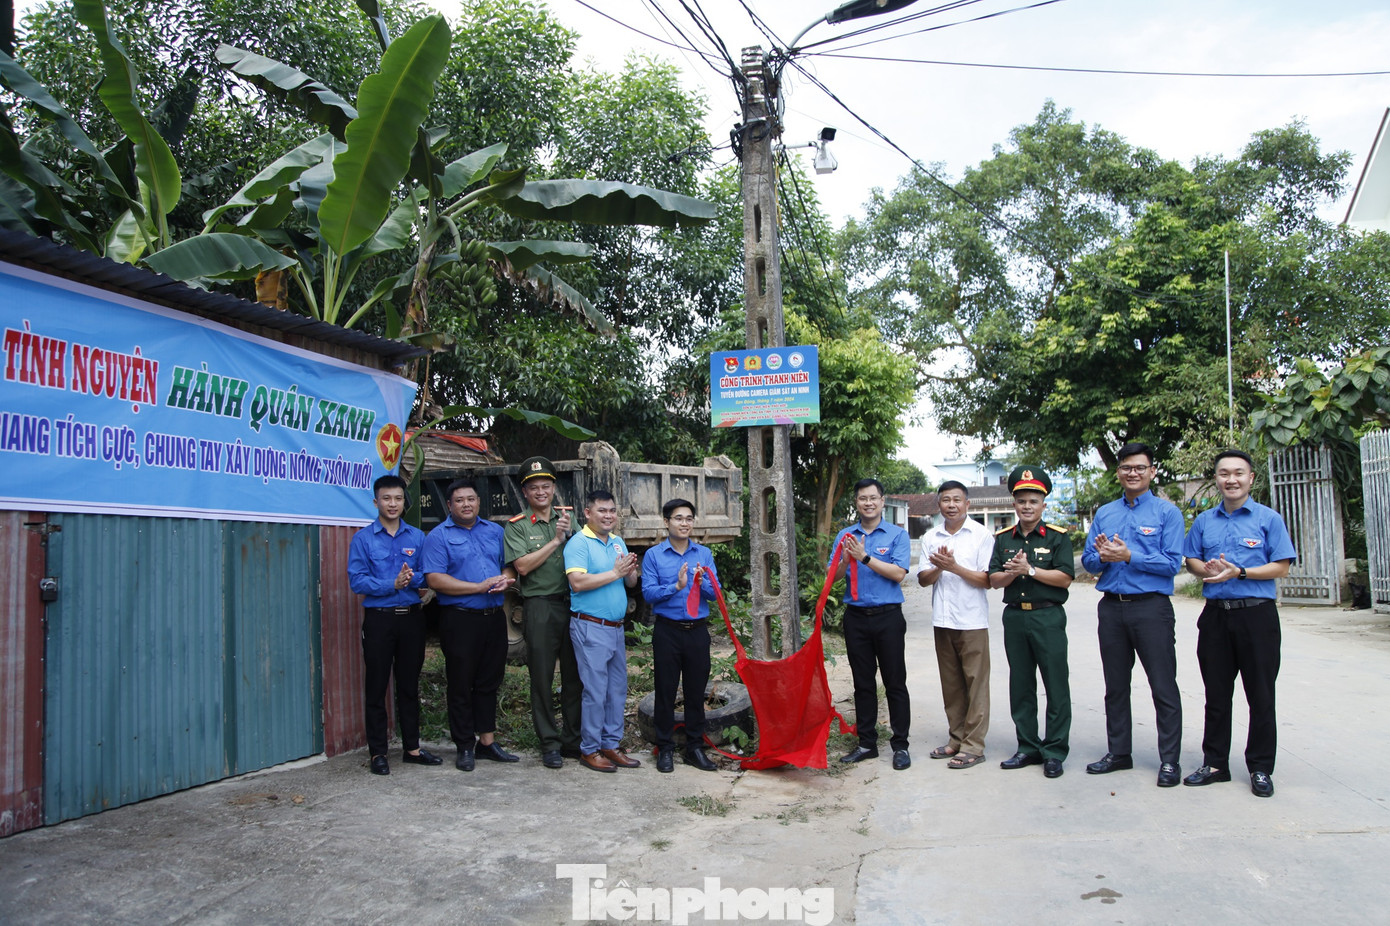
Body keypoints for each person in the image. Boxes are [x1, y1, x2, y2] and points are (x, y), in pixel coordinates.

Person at [1181, 449, 1297, 798]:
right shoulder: (1204, 521)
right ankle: (1215, 763)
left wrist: (1240, 571)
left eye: (1238, 473)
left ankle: (1260, 768)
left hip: (1256, 616)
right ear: (1215, 479)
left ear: (1251, 479)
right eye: (1223, 473)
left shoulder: (1268, 519)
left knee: (1261, 695)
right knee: (1216, 695)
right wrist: (1206, 570)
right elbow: (1191, 559)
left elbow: (1281, 565)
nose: (1231, 479)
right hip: (1216, 616)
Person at [1081, 442, 1186, 787]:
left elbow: (1172, 564)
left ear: (1152, 471)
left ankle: (1169, 760)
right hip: (1112, 607)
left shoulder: (1166, 514)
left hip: (1151, 608)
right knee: (1115, 687)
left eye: (1140, 467)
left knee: (1163, 686)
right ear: (1119, 472)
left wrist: (1129, 556)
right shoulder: (1106, 513)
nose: (1133, 473)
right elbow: (1089, 561)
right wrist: (1104, 558)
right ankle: (1119, 753)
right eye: (1127, 467)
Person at [421, 479, 519, 772]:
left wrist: (504, 577)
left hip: (493, 618)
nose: (466, 504)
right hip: (459, 618)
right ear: (450, 505)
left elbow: (508, 564)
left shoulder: (494, 531)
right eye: (460, 500)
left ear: (479, 502)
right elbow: (435, 579)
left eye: (471, 499)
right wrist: (477, 587)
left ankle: (486, 742)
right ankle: (464, 744)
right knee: (461, 683)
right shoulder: (438, 537)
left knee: (490, 680)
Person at [347, 474, 438, 775]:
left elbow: (428, 574)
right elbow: (357, 580)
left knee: (409, 685)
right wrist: (392, 583)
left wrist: (415, 579)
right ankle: (378, 753)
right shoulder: (363, 539)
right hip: (379, 621)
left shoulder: (417, 537)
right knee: (376, 686)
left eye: (398, 498)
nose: (393, 504)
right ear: (376, 502)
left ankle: (412, 748)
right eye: (387, 498)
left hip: (412, 618)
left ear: (404, 501)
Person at [990, 466, 1074, 779]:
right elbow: (994, 580)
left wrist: (1032, 571)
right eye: (1022, 500)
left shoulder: (1057, 538)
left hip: (1047, 616)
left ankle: (1054, 751)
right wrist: (1014, 572)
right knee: (1021, 684)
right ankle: (1027, 746)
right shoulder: (1002, 539)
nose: (1027, 506)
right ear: (1014, 504)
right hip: (1015, 617)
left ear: (1043, 505)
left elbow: (1065, 578)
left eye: (1033, 501)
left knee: (1055, 683)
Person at [504, 456, 583, 770]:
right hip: (539, 606)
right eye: (534, 487)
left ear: (554, 488)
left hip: (573, 604)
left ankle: (572, 741)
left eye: (546, 486)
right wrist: (555, 541)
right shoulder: (518, 526)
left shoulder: (569, 518)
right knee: (541, 676)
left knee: (575, 677)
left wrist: (570, 535)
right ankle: (549, 743)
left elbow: (584, 552)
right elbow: (521, 566)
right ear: (526, 492)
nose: (541, 491)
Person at [830, 478, 912, 770]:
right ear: (857, 502)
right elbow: (835, 577)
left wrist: (863, 557)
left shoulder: (897, 535)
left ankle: (900, 745)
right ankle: (866, 743)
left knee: (894, 683)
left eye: (873, 498)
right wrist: (845, 558)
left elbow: (898, 573)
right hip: (856, 618)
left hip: (888, 617)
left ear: (882, 501)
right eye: (863, 498)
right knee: (863, 684)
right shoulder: (845, 535)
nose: (868, 503)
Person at [915, 480, 993, 770]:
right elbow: (923, 580)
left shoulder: (982, 536)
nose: (951, 505)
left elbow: (987, 580)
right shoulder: (930, 537)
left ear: (967, 504)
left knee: (976, 684)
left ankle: (974, 745)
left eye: (957, 500)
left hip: (972, 620)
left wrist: (954, 567)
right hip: (942, 620)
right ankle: (956, 739)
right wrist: (939, 567)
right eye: (946, 500)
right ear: (939, 505)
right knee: (952, 685)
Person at [565, 489, 643, 773]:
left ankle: (611, 744)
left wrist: (630, 571)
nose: (608, 515)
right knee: (595, 691)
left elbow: (629, 582)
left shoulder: (617, 541)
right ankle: (590, 749)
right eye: (602, 510)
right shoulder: (578, 543)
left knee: (617, 690)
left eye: (612, 510)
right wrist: (615, 573)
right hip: (590, 626)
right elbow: (577, 583)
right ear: (588, 513)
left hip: (615, 629)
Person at [642, 498, 720, 773]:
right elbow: (648, 594)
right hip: (668, 631)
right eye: (678, 518)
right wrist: (676, 586)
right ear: (666, 522)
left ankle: (694, 748)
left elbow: (715, 594)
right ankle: (664, 748)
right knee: (665, 690)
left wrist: (703, 583)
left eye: (689, 518)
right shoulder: (653, 555)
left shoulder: (704, 554)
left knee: (695, 692)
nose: (684, 523)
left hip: (697, 632)